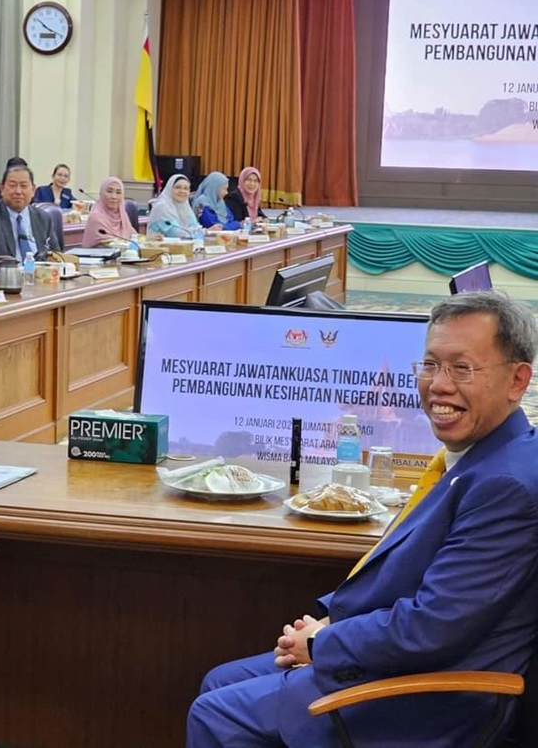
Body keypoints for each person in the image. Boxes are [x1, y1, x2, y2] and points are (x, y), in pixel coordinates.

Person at [187, 291, 538, 748]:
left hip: (432, 702)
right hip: (402, 663)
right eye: (430, 365)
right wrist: (326, 628)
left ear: (517, 381)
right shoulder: (482, 458)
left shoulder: (505, 485)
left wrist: (320, 645)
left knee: (217, 715)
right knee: (219, 682)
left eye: (462, 368)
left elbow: (433, 627)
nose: (439, 385)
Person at [0, 165, 61, 271]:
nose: (18, 191)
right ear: (2, 189)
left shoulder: (43, 218)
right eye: (12, 185)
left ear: (33, 190)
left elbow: (55, 255)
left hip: (39, 281)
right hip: (2, 281)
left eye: (23, 186)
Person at [147, 174, 205, 239]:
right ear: (170, 189)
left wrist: (205, 233)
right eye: (178, 187)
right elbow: (174, 234)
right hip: (159, 247)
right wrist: (200, 233)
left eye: (186, 188)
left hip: (182, 246)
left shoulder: (186, 207)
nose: (182, 191)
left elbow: (196, 228)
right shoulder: (161, 207)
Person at [82, 177, 135, 246]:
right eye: (109, 191)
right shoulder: (96, 217)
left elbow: (134, 237)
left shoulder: (122, 215)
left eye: (118, 192)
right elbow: (107, 245)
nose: (114, 197)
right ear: (101, 193)